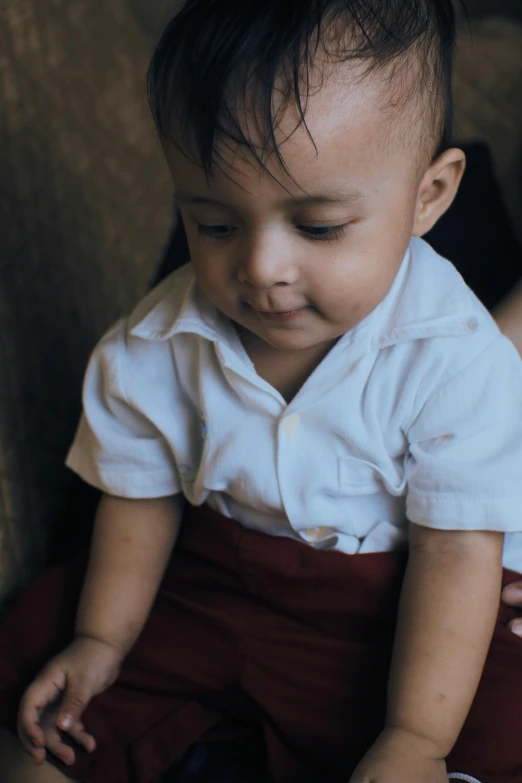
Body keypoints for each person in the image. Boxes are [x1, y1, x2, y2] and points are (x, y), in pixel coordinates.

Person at [2, 1, 522, 782]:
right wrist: (102, 641)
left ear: (429, 195)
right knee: (40, 651)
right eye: (215, 224)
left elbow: (455, 553)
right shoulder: (157, 343)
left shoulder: (456, 360)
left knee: (497, 705)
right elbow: (140, 500)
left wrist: (417, 735)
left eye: (316, 227)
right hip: (213, 571)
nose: (262, 268)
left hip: (392, 602)